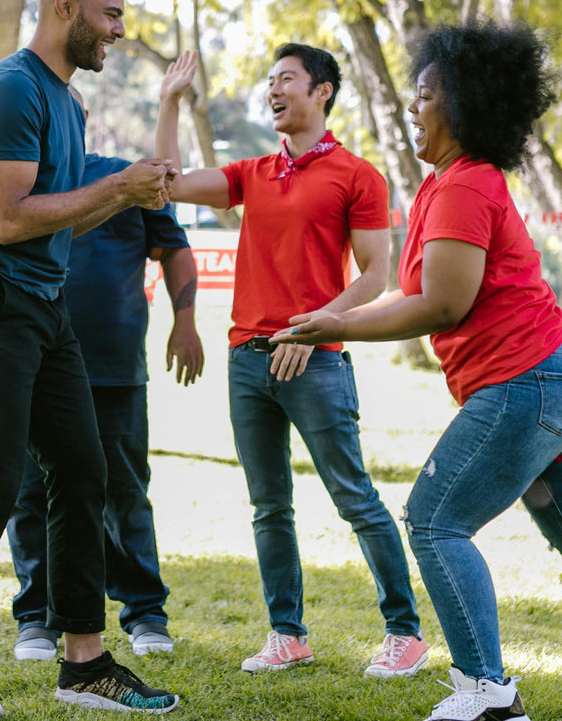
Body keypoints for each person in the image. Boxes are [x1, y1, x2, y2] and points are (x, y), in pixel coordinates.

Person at [279, 21, 562, 721]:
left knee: (434, 521)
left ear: (462, 105)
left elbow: (444, 303)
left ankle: (487, 695)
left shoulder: (463, 188)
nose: (411, 107)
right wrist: (334, 315)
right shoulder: (446, 185)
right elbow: (424, 295)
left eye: (424, 95)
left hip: (532, 382)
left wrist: (334, 327)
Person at [0, 0, 181, 721]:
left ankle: (85, 663)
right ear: (65, 6)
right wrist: (118, 186)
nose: (120, 33)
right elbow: (7, 217)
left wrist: (122, 194)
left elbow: (68, 215)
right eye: (111, 15)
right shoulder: (12, 87)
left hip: (42, 306)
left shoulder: (68, 102)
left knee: (84, 472)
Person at [155, 46, 427, 678]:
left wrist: (318, 326)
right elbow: (163, 181)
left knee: (354, 497)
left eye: (286, 79)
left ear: (322, 92)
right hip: (246, 361)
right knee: (268, 505)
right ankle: (287, 634)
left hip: (317, 362)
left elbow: (375, 276)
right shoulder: (252, 172)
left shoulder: (358, 176)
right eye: (269, 80)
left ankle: (404, 633)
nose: (273, 89)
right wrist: (170, 101)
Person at [7, 145, 204, 661]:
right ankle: (37, 617)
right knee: (31, 491)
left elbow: (174, 247)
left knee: (124, 492)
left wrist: (185, 322)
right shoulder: (18, 182)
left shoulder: (125, 176)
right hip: (33, 361)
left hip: (113, 363)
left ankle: (144, 612)